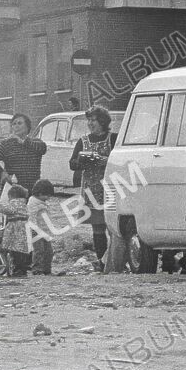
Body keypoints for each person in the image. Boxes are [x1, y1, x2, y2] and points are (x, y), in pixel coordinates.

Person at [69, 106, 118, 271]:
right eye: (88, 120)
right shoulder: (83, 141)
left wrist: (107, 161)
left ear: (102, 121)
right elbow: (72, 164)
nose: (90, 123)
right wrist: (83, 161)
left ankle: (115, 260)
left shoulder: (113, 138)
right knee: (97, 227)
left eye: (93, 120)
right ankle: (101, 261)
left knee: (114, 227)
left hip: (111, 189)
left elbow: (121, 159)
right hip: (91, 191)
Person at [0, 113, 47, 198]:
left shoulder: (36, 142)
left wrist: (23, 141)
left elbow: (42, 149)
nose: (16, 126)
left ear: (27, 126)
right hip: (12, 189)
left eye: (19, 123)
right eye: (14, 124)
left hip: (32, 188)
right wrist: (2, 173)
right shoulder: (7, 144)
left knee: (31, 210)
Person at [0, 184, 31, 276]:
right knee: (22, 249)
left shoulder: (15, 203)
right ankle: (22, 269)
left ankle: (17, 268)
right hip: (24, 228)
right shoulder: (24, 203)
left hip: (15, 227)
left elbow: (9, 210)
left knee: (14, 248)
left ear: (11, 196)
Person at [28, 179, 56, 275]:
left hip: (45, 231)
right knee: (39, 251)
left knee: (49, 251)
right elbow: (31, 217)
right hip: (36, 231)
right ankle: (37, 269)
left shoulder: (42, 203)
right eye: (46, 195)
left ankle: (47, 269)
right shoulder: (33, 203)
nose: (48, 198)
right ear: (39, 193)